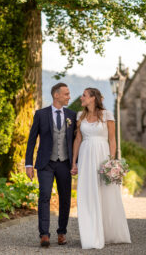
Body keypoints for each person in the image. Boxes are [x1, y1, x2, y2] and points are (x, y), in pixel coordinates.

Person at [71, 87, 131, 249]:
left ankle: (107, 232)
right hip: (85, 156)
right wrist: (74, 162)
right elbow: (77, 139)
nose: (81, 98)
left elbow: (112, 140)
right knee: (87, 193)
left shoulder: (107, 115)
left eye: (84, 95)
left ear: (92, 98)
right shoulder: (80, 115)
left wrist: (111, 162)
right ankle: (90, 234)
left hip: (102, 157)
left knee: (105, 193)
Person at [25, 83, 76, 247]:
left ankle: (62, 232)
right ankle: (44, 234)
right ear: (56, 95)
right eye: (66, 94)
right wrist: (28, 164)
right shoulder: (41, 114)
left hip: (65, 163)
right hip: (45, 163)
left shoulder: (72, 115)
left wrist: (77, 163)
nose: (69, 96)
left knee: (65, 199)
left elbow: (77, 141)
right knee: (45, 195)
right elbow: (32, 140)